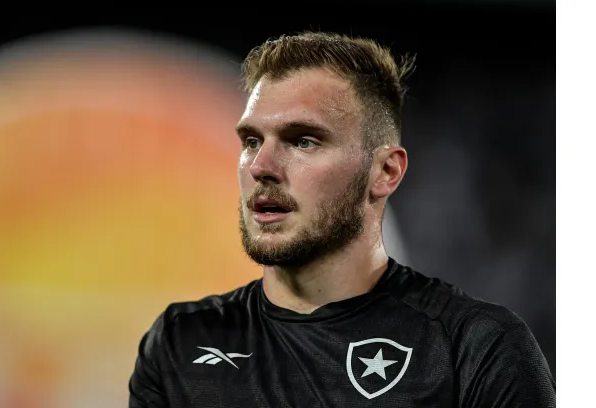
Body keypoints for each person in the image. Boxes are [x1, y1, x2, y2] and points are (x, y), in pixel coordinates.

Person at [128, 31, 555, 407]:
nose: (261, 165)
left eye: (303, 141)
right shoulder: (180, 342)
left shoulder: (474, 348)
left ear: (385, 172)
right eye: (252, 140)